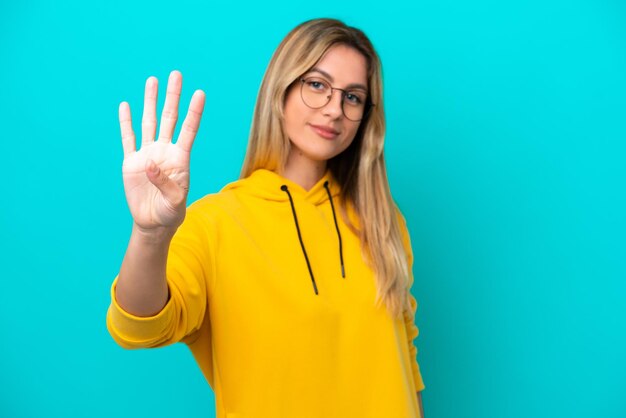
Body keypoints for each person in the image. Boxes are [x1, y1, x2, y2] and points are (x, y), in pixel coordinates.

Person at [107, 18, 425, 418]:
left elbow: (404, 364)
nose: (334, 110)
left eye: (354, 97)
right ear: (282, 89)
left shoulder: (384, 222)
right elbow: (138, 326)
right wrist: (149, 233)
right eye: (317, 85)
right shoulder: (215, 223)